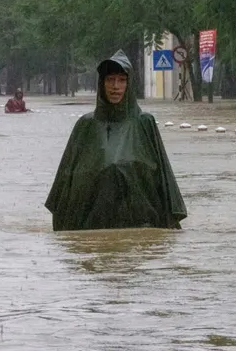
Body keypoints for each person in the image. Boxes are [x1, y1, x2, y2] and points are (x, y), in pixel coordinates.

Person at [45, 50, 187, 231]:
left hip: (140, 231)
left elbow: (164, 183)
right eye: (110, 80)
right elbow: (64, 188)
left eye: (121, 80)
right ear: (102, 84)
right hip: (91, 231)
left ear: (129, 85)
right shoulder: (86, 126)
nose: (115, 87)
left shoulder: (144, 124)